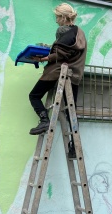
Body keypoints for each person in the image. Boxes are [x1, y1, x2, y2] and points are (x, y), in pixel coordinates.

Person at [28, 3, 87, 157]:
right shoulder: (78, 32)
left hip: (59, 72)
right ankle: (75, 147)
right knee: (71, 112)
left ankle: (44, 120)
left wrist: (43, 58)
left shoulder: (64, 32)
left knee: (34, 95)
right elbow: (68, 51)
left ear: (63, 17)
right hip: (74, 75)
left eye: (57, 17)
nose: (56, 21)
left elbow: (62, 54)